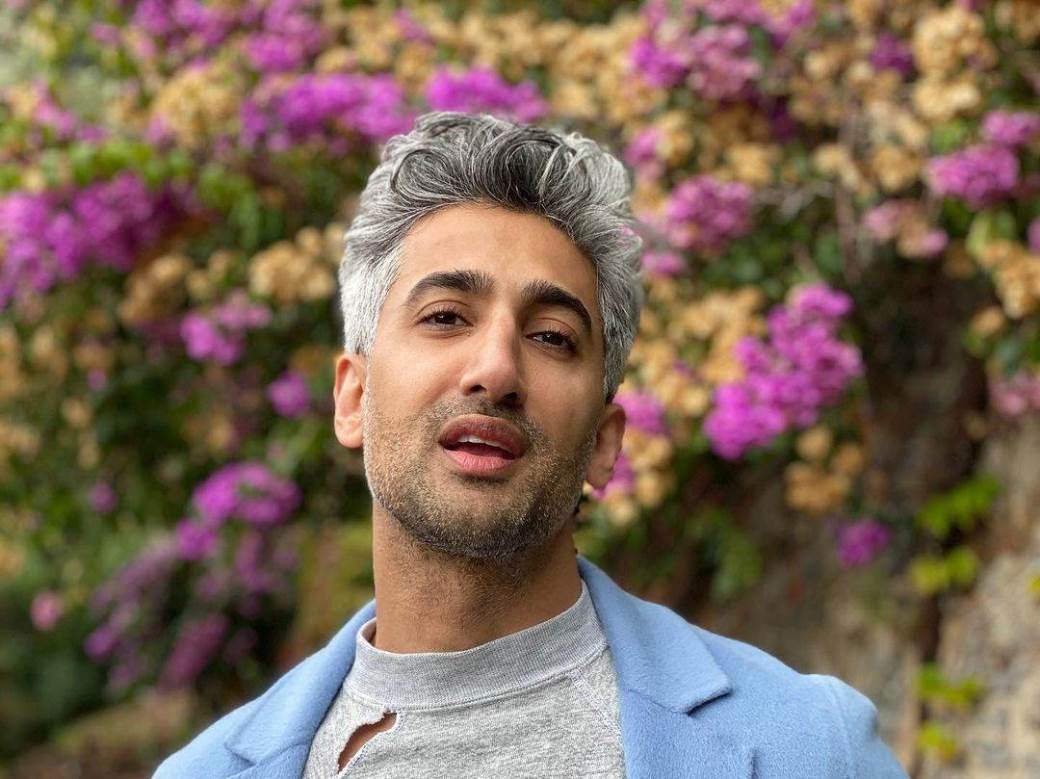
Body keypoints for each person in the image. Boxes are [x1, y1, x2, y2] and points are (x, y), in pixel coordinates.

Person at [155, 111, 907, 778]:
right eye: (446, 316)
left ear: (605, 443)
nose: (496, 370)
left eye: (551, 336)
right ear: (353, 398)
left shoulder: (814, 749)